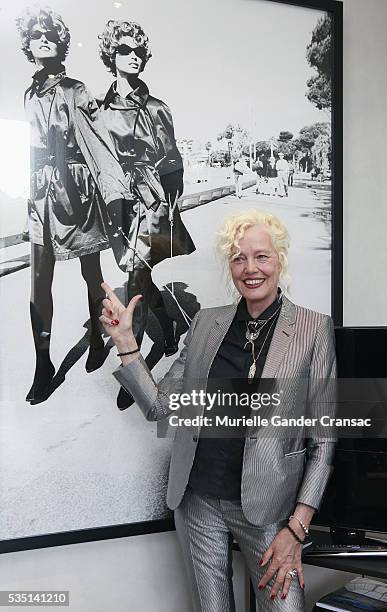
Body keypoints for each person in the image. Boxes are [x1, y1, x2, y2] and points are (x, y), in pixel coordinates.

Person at [99, 209, 337, 611]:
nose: (250, 268)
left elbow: (324, 441)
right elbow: (160, 407)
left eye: (261, 256)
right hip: (198, 500)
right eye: (239, 258)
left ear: (279, 258)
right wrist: (126, 343)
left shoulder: (314, 329)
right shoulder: (206, 324)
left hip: (267, 509)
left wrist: (296, 529)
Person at [16, 7, 131, 404]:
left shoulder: (76, 89)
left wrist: (117, 194)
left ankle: (99, 341)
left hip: (76, 192)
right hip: (39, 193)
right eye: (36, 35)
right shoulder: (28, 93)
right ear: (28, 44)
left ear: (60, 42)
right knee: (37, 282)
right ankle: (43, 363)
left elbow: (100, 143)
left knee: (91, 273)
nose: (43, 39)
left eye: (50, 34)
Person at [98, 20, 195, 409]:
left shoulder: (158, 108)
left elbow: (173, 161)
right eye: (125, 50)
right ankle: (169, 330)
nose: (133, 57)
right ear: (112, 55)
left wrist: (171, 202)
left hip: (151, 205)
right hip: (117, 203)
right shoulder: (98, 110)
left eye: (139, 51)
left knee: (135, 279)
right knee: (141, 278)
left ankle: (133, 370)